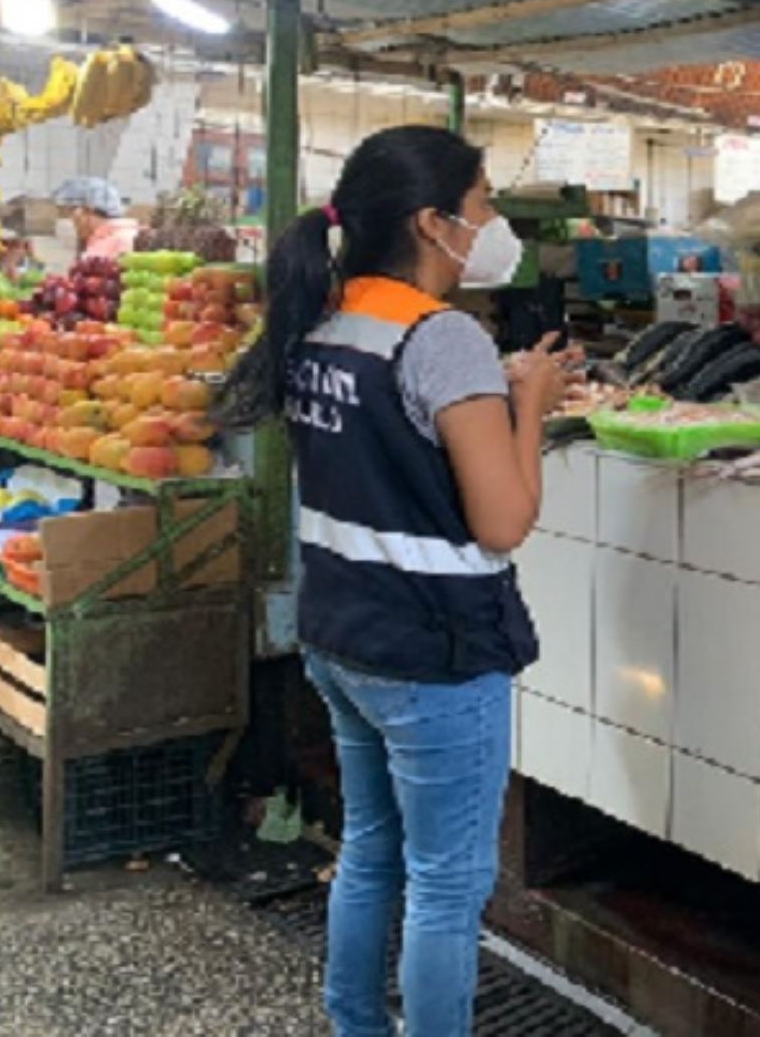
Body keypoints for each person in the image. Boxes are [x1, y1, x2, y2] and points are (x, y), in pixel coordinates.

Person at [213, 126, 564, 1037]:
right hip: (431, 651)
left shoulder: (322, 318)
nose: (493, 224)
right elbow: (504, 521)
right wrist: (530, 403)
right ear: (434, 222)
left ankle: (355, 1023)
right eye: (484, 205)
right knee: (448, 887)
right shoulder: (443, 340)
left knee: (372, 848)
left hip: (339, 635)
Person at [51, 177, 138, 261]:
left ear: (88, 209)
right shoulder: (96, 239)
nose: (67, 219)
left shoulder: (125, 240)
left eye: (68, 212)